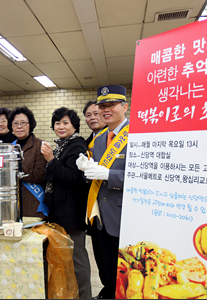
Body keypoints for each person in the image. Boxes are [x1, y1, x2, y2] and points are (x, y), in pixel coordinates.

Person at [76, 85, 130, 299]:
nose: (106, 110)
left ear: (124, 107)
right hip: (99, 218)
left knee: (126, 274)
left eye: (112, 105)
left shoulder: (138, 136)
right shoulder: (98, 140)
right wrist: (86, 169)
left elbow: (144, 178)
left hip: (124, 216)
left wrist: (109, 175)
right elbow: (94, 176)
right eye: (102, 106)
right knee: (106, 269)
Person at [41, 107, 92, 299]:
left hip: (72, 212)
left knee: (78, 258)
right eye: (57, 123)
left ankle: (85, 296)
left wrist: (51, 160)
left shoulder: (77, 146)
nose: (60, 127)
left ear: (74, 126)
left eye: (65, 123)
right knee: (66, 259)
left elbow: (72, 178)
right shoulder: (62, 145)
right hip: (60, 210)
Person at [83, 100, 107, 299]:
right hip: (93, 207)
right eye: (88, 115)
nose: (92, 118)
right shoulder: (87, 141)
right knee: (99, 255)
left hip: (112, 208)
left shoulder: (116, 140)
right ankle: (106, 290)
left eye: (96, 113)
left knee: (112, 258)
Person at [8, 106, 47, 219]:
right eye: (15, 123)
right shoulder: (10, 147)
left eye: (23, 123)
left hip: (33, 203)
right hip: (12, 204)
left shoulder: (40, 145)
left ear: (30, 125)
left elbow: (39, 175)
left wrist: (14, 170)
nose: (19, 126)